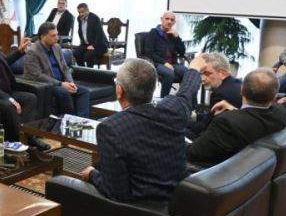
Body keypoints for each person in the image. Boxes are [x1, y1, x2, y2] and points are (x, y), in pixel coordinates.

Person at [75, 54, 207, 203]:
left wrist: (92, 174)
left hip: (143, 209)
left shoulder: (111, 128)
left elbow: (116, 193)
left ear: (119, 91)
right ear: (153, 87)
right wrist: (194, 68)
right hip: (181, 198)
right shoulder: (173, 110)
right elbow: (187, 92)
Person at [187, 68, 286, 167]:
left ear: (242, 90)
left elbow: (192, 152)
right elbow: (254, 119)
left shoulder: (226, 122)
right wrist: (233, 110)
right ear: (274, 97)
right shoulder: (280, 112)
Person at [23, 22, 91, 118]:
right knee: (64, 93)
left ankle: (82, 120)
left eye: (57, 35)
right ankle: (71, 120)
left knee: (84, 91)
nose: (57, 38)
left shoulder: (57, 47)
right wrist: (60, 84)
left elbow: (65, 68)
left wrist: (70, 82)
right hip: (47, 85)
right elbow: (37, 75)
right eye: (53, 35)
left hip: (63, 82)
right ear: (42, 37)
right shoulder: (33, 51)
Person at [186, 52, 242, 139]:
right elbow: (210, 117)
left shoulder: (220, 94)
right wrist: (195, 116)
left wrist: (182, 121)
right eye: (200, 74)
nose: (202, 79)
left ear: (223, 74)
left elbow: (203, 128)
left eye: (207, 73)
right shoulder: (237, 83)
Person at [145, 11, 187, 98]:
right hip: (158, 63)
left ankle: (186, 99)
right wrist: (164, 63)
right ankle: (163, 99)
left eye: (172, 20)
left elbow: (182, 52)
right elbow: (149, 52)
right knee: (169, 74)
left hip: (173, 64)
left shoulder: (173, 34)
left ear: (174, 22)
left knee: (188, 72)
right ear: (162, 19)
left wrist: (177, 37)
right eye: (167, 19)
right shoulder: (153, 33)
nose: (169, 21)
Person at [73, 3, 108, 68]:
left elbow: (99, 34)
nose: (80, 14)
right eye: (79, 12)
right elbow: (80, 31)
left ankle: (90, 72)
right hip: (86, 43)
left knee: (88, 56)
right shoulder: (79, 18)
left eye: (82, 12)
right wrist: (83, 42)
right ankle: (82, 71)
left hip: (99, 44)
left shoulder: (95, 18)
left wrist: (94, 46)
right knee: (76, 53)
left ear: (87, 11)